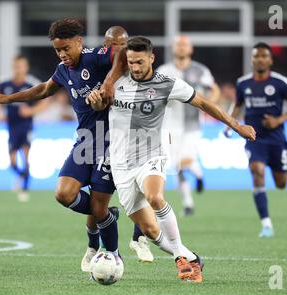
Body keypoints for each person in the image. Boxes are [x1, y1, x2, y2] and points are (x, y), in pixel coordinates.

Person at [86, 36, 255, 282]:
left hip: (150, 155)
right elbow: (99, 107)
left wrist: (236, 125)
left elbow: (204, 103)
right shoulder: (115, 82)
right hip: (120, 165)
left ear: (151, 58)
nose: (134, 67)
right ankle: (190, 256)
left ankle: (179, 260)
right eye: (131, 62)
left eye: (139, 62)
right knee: (151, 231)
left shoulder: (168, 84)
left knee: (155, 197)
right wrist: (96, 102)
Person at [0, 19, 122, 270]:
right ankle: (106, 220)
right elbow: (43, 90)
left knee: (98, 206)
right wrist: (9, 99)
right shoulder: (63, 69)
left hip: (111, 141)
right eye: (58, 50)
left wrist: (109, 82)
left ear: (79, 42)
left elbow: (122, 52)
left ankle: (112, 253)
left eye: (66, 48)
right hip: (85, 141)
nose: (63, 54)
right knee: (64, 194)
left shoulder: (95, 57)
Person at [83, 26, 154, 264]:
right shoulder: (94, 69)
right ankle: (94, 246)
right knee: (98, 202)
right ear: (105, 46)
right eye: (113, 45)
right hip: (101, 142)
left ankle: (139, 238)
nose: (119, 49)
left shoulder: (138, 71)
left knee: (149, 193)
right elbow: (97, 105)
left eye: (123, 44)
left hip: (139, 144)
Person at [227, 42, 287, 238]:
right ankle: (266, 224)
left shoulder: (280, 82)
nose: (260, 59)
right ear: (251, 60)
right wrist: (230, 124)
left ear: (270, 60)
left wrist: (279, 120)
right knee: (257, 171)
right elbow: (237, 105)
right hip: (254, 137)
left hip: (277, 138)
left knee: (281, 183)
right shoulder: (243, 83)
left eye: (263, 56)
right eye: (256, 56)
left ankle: (283, 169)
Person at [157, 36, 220, 216]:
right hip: (170, 125)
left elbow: (214, 90)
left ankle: (198, 175)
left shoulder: (200, 70)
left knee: (183, 161)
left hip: (192, 125)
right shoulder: (164, 70)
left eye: (185, 45)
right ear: (173, 48)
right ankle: (188, 203)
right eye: (179, 45)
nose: (182, 48)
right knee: (176, 167)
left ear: (190, 49)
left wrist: (208, 106)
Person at [0, 55, 44, 202]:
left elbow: (46, 101)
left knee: (26, 156)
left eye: (21, 66)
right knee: (12, 161)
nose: (18, 69)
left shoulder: (32, 84)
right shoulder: (4, 83)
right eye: (16, 66)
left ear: (26, 68)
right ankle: (22, 175)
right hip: (11, 126)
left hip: (26, 126)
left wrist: (31, 111)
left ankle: (24, 189)